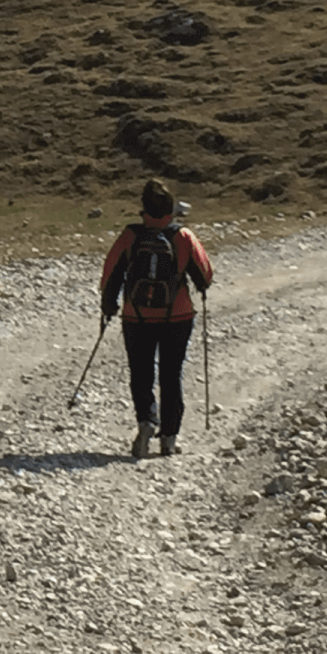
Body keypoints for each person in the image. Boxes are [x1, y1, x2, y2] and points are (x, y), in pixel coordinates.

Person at [99, 178, 214, 458]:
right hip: (177, 315)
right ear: (170, 209)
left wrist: (109, 306)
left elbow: (110, 273)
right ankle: (169, 439)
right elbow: (205, 276)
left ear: (143, 208)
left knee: (141, 373)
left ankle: (146, 421)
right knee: (171, 375)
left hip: (136, 316)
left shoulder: (130, 236)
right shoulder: (183, 236)